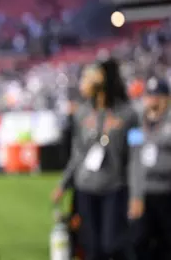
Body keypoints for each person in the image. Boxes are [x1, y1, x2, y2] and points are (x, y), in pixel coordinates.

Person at [51, 58, 139, 260]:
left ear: (106, 77)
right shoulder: (81, 114)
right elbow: (77, 154)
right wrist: (63, 185)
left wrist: (136, 195)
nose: (86, 80)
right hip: (85, 189)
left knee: (113, 244)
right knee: (91, 248)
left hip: (114, 188)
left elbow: (135, 157)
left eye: (91, 74)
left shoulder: (129, 114)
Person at [129, 76, 171, 260]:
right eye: (151, 95)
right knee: (140, 242)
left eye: (159, 96)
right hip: (144, 192)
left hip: (167, 192)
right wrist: (135, 195)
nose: (154, 99)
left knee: (167, 243)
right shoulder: (138, 122)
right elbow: (134, 158)